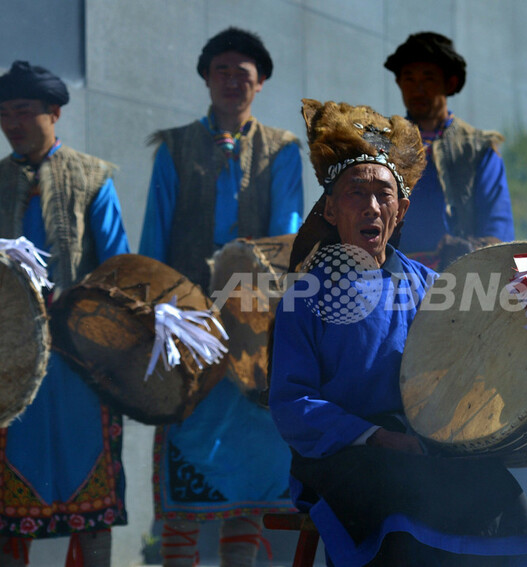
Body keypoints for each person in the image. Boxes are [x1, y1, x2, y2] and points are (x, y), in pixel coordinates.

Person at [269, 98, 527, 567]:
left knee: (496, 491)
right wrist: (376, 436)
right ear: (332, 209)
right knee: (401, 500)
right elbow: (291, 403)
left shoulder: (433, 288)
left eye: (383, 195)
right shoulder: (305, 296)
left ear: (400, 210)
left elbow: (467, 368)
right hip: (343, 454)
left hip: (422, 446)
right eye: (356, 193)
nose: (371, 207)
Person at [138, 27, 303, 567]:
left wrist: (259, 304)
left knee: (250, 488)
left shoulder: (282, 151)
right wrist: (155, 314)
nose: (232, 81)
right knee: (185, 480)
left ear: (260, 84)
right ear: (207, 79)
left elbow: (287, 238)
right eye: (222, 71)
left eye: (243, 74)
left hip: (253, 331)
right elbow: (153, 240)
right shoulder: (174, 148)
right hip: (188, 331)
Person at [0, 60, 130, 566]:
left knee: (91, 493)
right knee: (8, 495)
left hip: (79, 357)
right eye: (4, 113)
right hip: (10, 356)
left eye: (23, 111)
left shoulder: (93, 178)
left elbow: (117, 266)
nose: (12, 123)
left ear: (54, 112)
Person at [384, 31, 514, 270]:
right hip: (391, 277)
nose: (417, 89)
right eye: (409, 78)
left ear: (450, 83)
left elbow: (498, 231)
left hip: (459, 278)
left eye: (428, 79)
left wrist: (471, 251)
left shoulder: (477, 149)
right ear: (399, 83)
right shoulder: (383, 145)